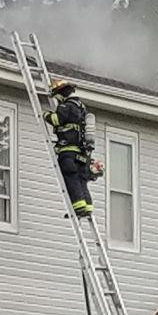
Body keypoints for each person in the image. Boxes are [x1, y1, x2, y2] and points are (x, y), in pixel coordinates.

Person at [45, 78, 98, 217]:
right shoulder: (82, 108)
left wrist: (46, 115)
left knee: (71, 179)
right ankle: (87, 207)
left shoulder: (66, 106)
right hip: (81, 154)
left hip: (67, 152)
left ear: (62, 93)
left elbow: (56, 120)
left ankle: (78, 208)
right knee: (81, 181)